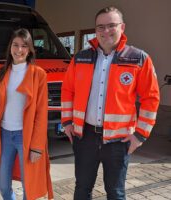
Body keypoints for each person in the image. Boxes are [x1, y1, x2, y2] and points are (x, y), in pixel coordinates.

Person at [61, 6, 160, 200]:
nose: (106, 31)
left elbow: (151, 98)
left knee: (115, 193)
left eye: (111, 25)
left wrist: (140, 136)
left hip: (119, 140)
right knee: (82, 189)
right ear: (95, 30)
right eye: (100, 27)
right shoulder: (80, 57)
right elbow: (68, 90)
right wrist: (67, 122)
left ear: (122, 27)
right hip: (85, 137)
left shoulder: (139, 59)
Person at [0, 28, 53, 200]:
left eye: (24, 46)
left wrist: (37, 146)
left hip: (26, 137)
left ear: (30, 50)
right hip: (4, 135)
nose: (19, 50)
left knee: (29, 185)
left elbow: (41, 112)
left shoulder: (39, 75)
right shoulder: (0, 73)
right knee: (3, 184)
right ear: (10, 47)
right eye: (15, 45)